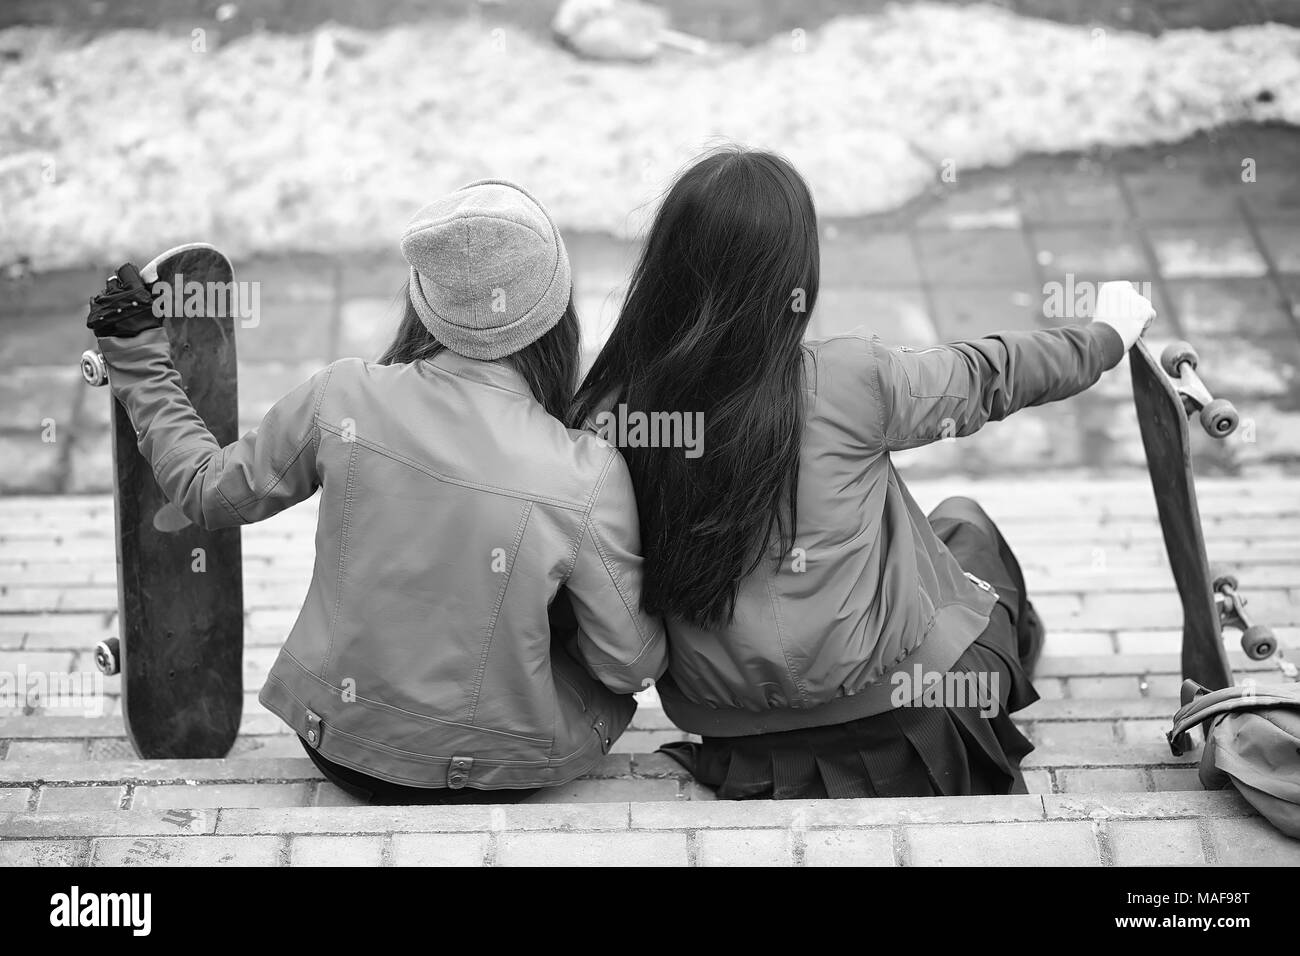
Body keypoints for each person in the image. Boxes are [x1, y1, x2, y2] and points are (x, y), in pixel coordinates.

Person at [570, 147, 1153, 799]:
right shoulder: (851, 378)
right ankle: (1016, 665)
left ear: (664, 267)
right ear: (794, 274)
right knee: (966, 524)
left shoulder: (609, 418)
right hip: (920, 726)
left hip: (741, 749)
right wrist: (1104, 337)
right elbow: (988, 374)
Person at [86, 180, 666, 803]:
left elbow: (205, 491)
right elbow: (628, 664)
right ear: (559, 314)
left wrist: (137, 356)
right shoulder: (586, 470)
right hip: (498, 774)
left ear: (421, 302)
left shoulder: (341, 396)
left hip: (338, 748)